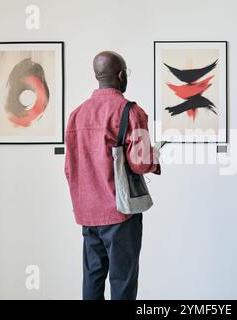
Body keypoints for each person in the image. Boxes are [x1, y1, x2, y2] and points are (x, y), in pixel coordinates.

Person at [64, 51, 160, 300]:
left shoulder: (76, 114)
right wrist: (155, 156)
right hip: (120, 212)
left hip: (87, 214)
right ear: (121, 75)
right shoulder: (130, 111)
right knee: (122, 281)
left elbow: (69, 167)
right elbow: (140, 163)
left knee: (92, 279)